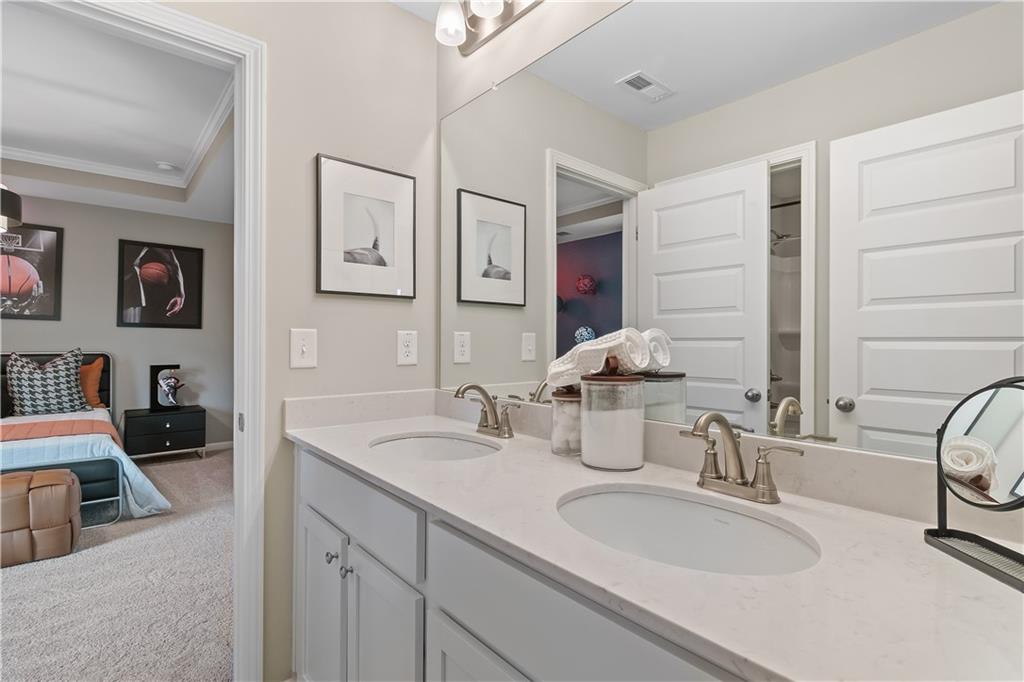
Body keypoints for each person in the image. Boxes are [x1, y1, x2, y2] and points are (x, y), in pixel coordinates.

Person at [122, 246, 185, 324]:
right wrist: (180, 293)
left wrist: (180, 293)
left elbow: (169, 258)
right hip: (128, 282)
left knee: (127, 331)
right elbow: (169, 259)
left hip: (129, 284)